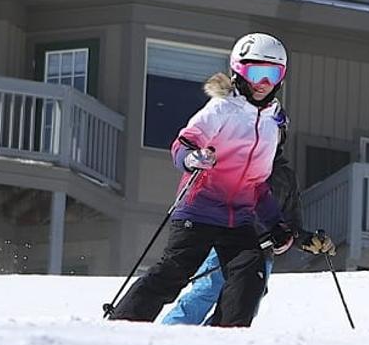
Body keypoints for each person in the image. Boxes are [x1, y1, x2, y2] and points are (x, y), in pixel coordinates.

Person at [109, 32, 293, 327]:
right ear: (239, 71)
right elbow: (183, 143)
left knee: (250, 272)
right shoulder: (222, 108)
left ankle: (227, 333)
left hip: (238, 219)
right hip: (200, 210)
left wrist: (275, 224)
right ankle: (123, 323)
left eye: (272, 74)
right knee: (176, 271)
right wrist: (191, 158)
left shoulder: (273, 122)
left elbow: (257, 184)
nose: (263, 83)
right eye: (255, 72)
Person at [162, 135, 336, 325]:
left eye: (275, 131)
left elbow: (291, 223)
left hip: (262, 252)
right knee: (205, 293)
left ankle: (216, 339)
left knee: (243, 306)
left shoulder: (284, 177)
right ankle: (170, 332)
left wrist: (308, 240)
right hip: (225, 246)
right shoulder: (238, 163)